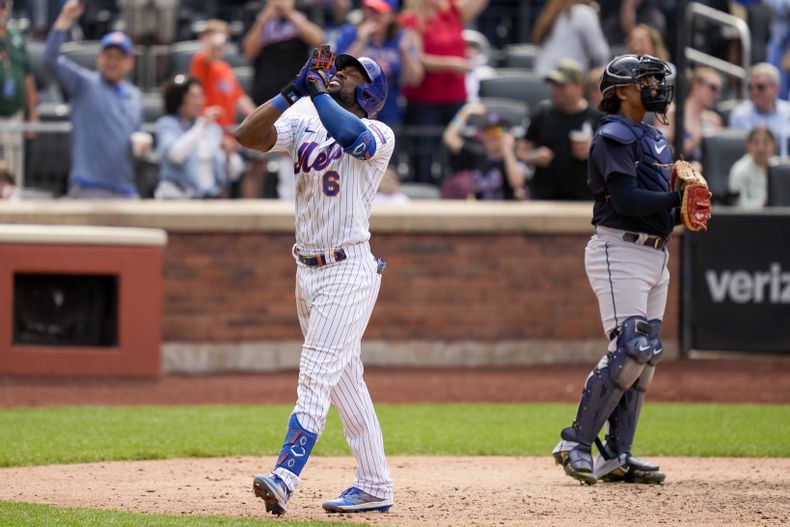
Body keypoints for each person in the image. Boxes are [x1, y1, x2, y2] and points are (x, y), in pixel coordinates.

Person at [235, 47, 395, 515]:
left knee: (316, 371)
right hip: (306, 269)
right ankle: (375, 484)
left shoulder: (378, 133)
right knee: (347, 384)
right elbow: (247, 135)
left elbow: (351, 138)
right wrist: (290, 92)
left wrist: (316, 92)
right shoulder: (305, 113)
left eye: (350, 73)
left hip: (348, 268)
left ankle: (286, 474)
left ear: (368, 91)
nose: (339, 74)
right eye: (338, 69)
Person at [552, 54, 708, 485]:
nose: (657, 88)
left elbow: (653, 207)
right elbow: (626, 201)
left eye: (657, 81)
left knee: (647, 355)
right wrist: (673, 203)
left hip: (655, 253)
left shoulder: (654, 136)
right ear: (621, 91)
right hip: (618, 249)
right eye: (647, 81)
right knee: (632, 347)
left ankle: (617, 455)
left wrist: (682, 212)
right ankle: (575, 443)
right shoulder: (614, 134)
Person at [43, 0, 146, 199]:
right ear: (99, 58)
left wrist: (142, 147)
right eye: (108, 56)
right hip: (89, 188)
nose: (113, 62)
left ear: (130, 62)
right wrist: (64, 21)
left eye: (119, 57)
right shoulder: (85, 84)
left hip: (125, 189)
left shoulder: (135, 97)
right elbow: (49, 61)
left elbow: (135, 137)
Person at [399, 0, 491, 183]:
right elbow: (419, 58)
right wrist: (452, 64)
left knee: (457, 155)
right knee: (424, 157)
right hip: (424, 100)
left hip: (456, 97)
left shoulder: (452, 11)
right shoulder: (411, 19)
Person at [518, 59, 602, 200]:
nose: (556, 90)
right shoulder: (543, 115)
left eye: (562, 86)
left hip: (584, 198)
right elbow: (521, 151)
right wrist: (534, 156)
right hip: (544, 197)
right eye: (554, 85)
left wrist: (594, 151)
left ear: (579, 86)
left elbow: (615, 158)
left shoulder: (597, 118)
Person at [334, 0, 423, 127]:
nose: (371, 16)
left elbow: (415, 79)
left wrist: (405, 52)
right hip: (351, 110)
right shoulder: (351, 33)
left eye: (378, 12)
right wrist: (361, 41)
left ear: (391, 16)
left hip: (389, 111)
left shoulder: (401, 38)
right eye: (369, 10)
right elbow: (337, 71)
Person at [154, 75, 228, 199]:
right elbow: (175, 155)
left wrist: (228, 155)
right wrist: (201, 126)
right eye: (193, 97)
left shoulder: (212, 128)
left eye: (200, 96)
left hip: (209, 199)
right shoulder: (166, 124)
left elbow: (230, 171)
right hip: (176, 198)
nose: (199, 102)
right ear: (178, 100)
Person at [443, 102, 528, 200]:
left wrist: (508, 151)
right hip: (479, 212)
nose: (491, 137)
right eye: (487, 131)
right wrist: (465, 112)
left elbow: (517, 183)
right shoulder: (477, 154)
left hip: (505, 212)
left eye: (497, 132)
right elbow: (449, 138)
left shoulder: (515, 158)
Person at [189, 19, 256, 136]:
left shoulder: (225, 68)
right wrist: (214, 44)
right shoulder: (200, 61)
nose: (220, 43)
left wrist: (260, 117)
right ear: (202, 39)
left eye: (223, 38)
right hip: (206, 130)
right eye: (214, 37)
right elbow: (210, 54)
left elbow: (240, 98)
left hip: (226, 132)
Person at [0, 0, 39, 186]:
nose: (1, 10)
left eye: (2, 6)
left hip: (15, 114)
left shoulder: (16, 37)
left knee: (14, 172)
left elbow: (28, 77)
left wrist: (32, 114)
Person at [658, 67, 723, 164]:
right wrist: (697, 140)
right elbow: (661, 152)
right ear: (696, 86)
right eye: (713, 88)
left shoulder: (714, 120)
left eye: (719, 90)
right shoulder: (671, 113)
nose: (716, 95)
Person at [531, 0, 610, 76]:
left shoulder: (552, 13)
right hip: (566, 80)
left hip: (542, 78)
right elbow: (600, 54)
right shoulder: (583, 12)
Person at [729, 63, 790, 157]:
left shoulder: (788, 112)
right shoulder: (740, 114)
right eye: (750, 87)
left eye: (760, 87)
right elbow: (742, 153)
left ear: (776, 88)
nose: (754, 92)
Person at [728, 125, 777, 209]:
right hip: (748, 220)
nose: (761, 148)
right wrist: (765, 206)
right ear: (748, 145)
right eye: (756, 143)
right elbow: (738, 204)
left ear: (774, 145)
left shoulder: (780, 168)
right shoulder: (739, 170)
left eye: (765, 143)